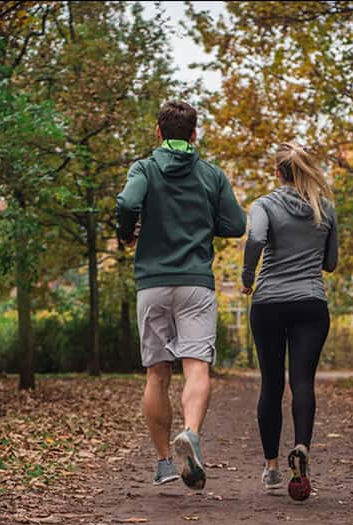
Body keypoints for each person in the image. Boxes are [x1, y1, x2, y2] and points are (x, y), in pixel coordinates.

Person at [116, 101, 246, 489]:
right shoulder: (211, 175)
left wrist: (128, 232)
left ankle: (162, 463)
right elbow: (236, 224)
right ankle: (190, 433)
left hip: (153, 282)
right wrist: (203, 225)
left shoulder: (144, 169)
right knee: (196, 367)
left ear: (158, 132)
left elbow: (126, 202)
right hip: (195, 283)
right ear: (194, 134)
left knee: (157, 374)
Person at [241, 142, 338, 500]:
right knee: (302, 382)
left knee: (271, 383)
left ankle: (271, 469)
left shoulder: (264, 204)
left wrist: (248, 278)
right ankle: (302, 448)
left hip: (268, 302)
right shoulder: (324, 208)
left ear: (278, 172)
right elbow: (330, 263)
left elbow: (255, 239)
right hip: (312, 303)